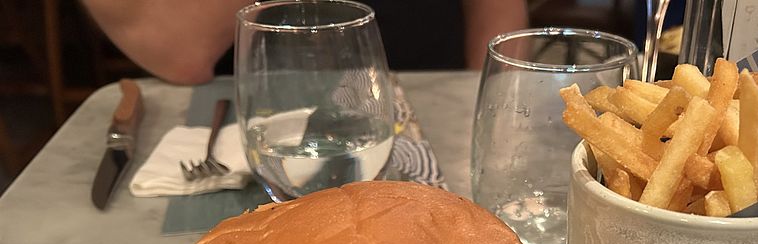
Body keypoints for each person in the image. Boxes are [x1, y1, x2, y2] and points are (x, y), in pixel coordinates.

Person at [79, 0, 527, 84]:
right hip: (250, 114)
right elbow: (180, 50)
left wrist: (496, 100)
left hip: (433, 94)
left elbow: (497, 10)